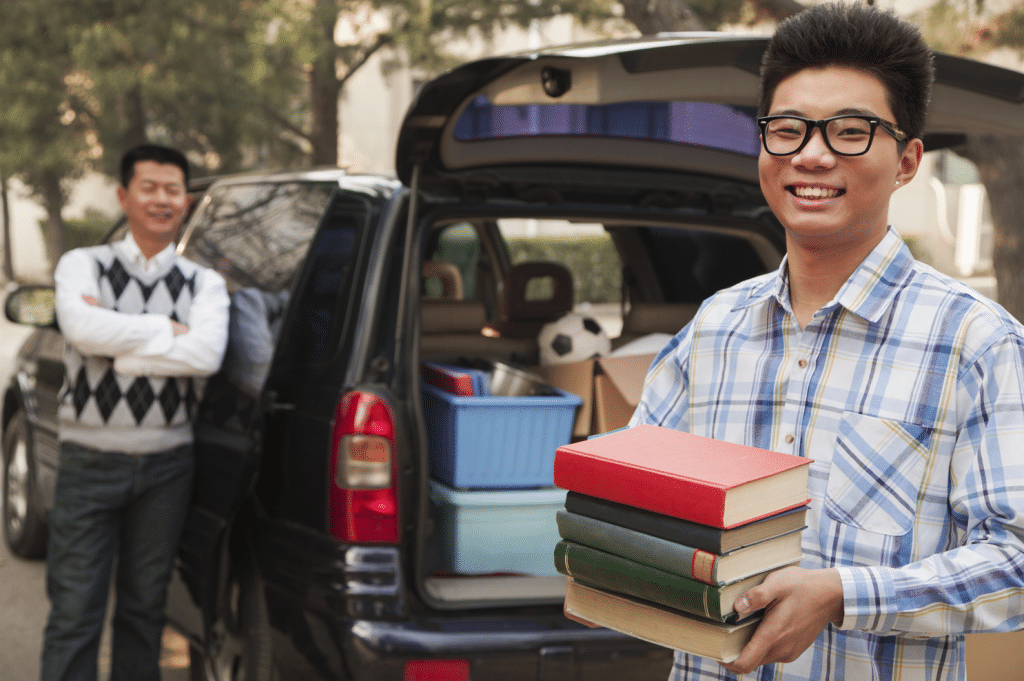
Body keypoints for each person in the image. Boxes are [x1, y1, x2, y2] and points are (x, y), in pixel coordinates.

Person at [630, 3, 1024, 680]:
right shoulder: (713, 330)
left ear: (906, 161)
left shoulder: (977, 343)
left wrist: (844, 594)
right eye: (787, 129)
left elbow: (1016, 565)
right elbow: (635, 499)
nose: (811, 154)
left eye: (850, 131)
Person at [41, 144, 229, 681]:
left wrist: (117, 349)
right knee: (75, 612)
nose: (161, 199)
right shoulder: (83, 265)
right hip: (88, 463)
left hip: (167, 467)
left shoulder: (204, 283)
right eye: (149, 187)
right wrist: (165, 331)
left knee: (145, 612)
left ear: (187, 202)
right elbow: (80, 330)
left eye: (173, 190)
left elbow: (206, 355)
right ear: (124, 196)